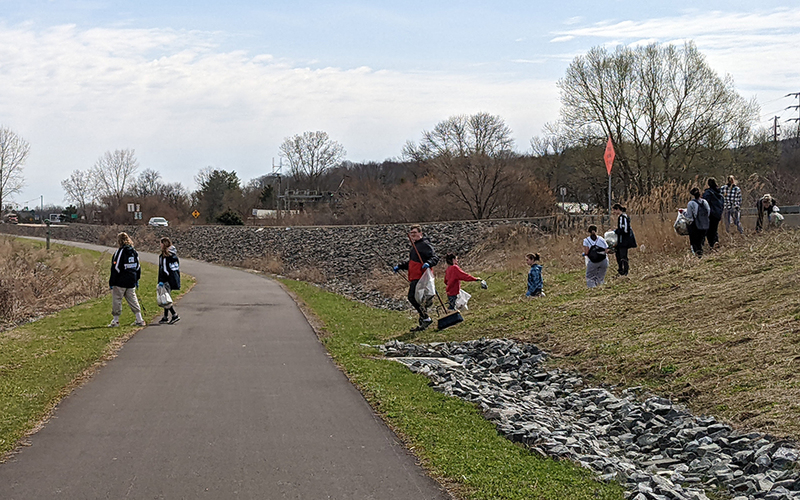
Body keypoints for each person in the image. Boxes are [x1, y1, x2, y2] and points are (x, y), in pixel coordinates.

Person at [393, 224, 440, 331]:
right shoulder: (415, 247)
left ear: (420, 233)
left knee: (412, 297)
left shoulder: (424, 245)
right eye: (411, 233)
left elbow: (435, 257)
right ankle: (423, 319)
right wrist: (400, 266)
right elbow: (412, 263)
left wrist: (429, 263)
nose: (413, 235)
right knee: (417, 299)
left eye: (415, 232)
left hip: (422, 277)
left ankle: (425, 318)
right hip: (415, 276)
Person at [108, 232, 145, 327]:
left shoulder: (119, 252)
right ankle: (139, 319)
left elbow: (116, 267)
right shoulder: (134, 252)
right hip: (131, 280)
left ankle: (115, 320)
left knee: (117, 299)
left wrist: (112, 281)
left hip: (120, 281)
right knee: (133, 299)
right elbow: (138, 267)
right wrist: (136, 279)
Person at [158, 237, 181, 325]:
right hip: (174, 278)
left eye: (161, 243)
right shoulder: (173, 255)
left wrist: (162, 281)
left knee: (165, 299)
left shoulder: (165, 256)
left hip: (166, 280)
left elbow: (164, 270)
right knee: (166, 296)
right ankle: (165, 317)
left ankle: (174, 314)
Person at [685, 187, 711, 257]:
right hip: (705, 224)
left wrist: (683, 213)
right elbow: (708, 212)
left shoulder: (691, 203)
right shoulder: (704, 202)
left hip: (695, 225)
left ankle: (698, 254)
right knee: (701, 240)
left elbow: (690, 216)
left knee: (694, 241)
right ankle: (702, 252)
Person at [611, 203, 634, 276]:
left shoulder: (622, 217)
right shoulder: (623, 217)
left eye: (614, 210)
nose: (614, 212)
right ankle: (621, 270)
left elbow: (624, 230)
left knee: (623, 256)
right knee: (618, 255)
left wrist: (615, 231)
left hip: (623, 240)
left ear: (618, 209)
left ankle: (625, 271)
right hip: (622, 240)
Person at [702, 178, 724, 249]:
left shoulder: (708, 193)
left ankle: (712, 244)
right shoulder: (719, 192)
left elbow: (705, 204)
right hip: (717, 214)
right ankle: (715, 242)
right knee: (714, 230)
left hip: (710, 214)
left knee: (708, 230)